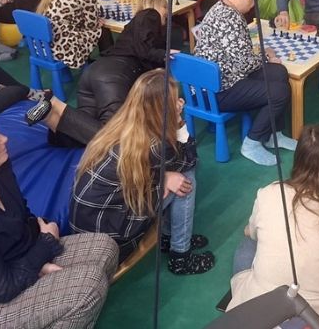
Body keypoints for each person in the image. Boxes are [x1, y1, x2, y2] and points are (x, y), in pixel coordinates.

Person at [0, 111, 118, 329]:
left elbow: (21, 221)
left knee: (105, 247)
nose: (4, 138)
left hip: (16, 264)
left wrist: (38, 263)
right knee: (88, 285)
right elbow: (2, 289)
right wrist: (44, 247)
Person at [70, 69, 215, 275]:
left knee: (175, 175)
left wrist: (164, 177)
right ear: (161, 109)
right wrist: (179, 122)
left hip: (92, 226)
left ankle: (167, 237)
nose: (180, 102)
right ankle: (180, 256)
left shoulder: (123, 124)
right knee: (186, 179)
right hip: (112, 239)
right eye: (174, 101)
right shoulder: (155, 145)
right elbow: (191, 159)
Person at [228, 124, 319, 329]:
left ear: (298, 160)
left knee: (248, 242)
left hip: (257, 313)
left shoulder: (269, 193)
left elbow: (251, 232)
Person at [26, 0, 173, 147]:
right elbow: (144, 50)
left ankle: (52, 118)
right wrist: (164, 54)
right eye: (165, 8)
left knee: (81, 131)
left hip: (95, 71)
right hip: (113, 75)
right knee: (114, 137)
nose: (168, 13)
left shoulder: (136, 25)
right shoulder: (150, 14)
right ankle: (56, 105)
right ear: (155, 5)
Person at [196, 0, 294, 166]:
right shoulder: (230, 18)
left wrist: (264, 57)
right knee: (280, 91)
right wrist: (266, 56)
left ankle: (274, 134)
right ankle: (252, 143)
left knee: (279, 72)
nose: (255, 2)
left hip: (220, 78)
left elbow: (239, 56)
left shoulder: (222, 6)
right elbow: (243, 64)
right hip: (217, 90)